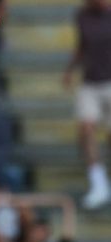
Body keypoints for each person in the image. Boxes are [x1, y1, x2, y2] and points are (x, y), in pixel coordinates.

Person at [64, 0, 111, 209]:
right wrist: (70, 69)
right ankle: (98, 181)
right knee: (86, 128)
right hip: (90, 82)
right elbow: (82, 46)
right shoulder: (82, 15)